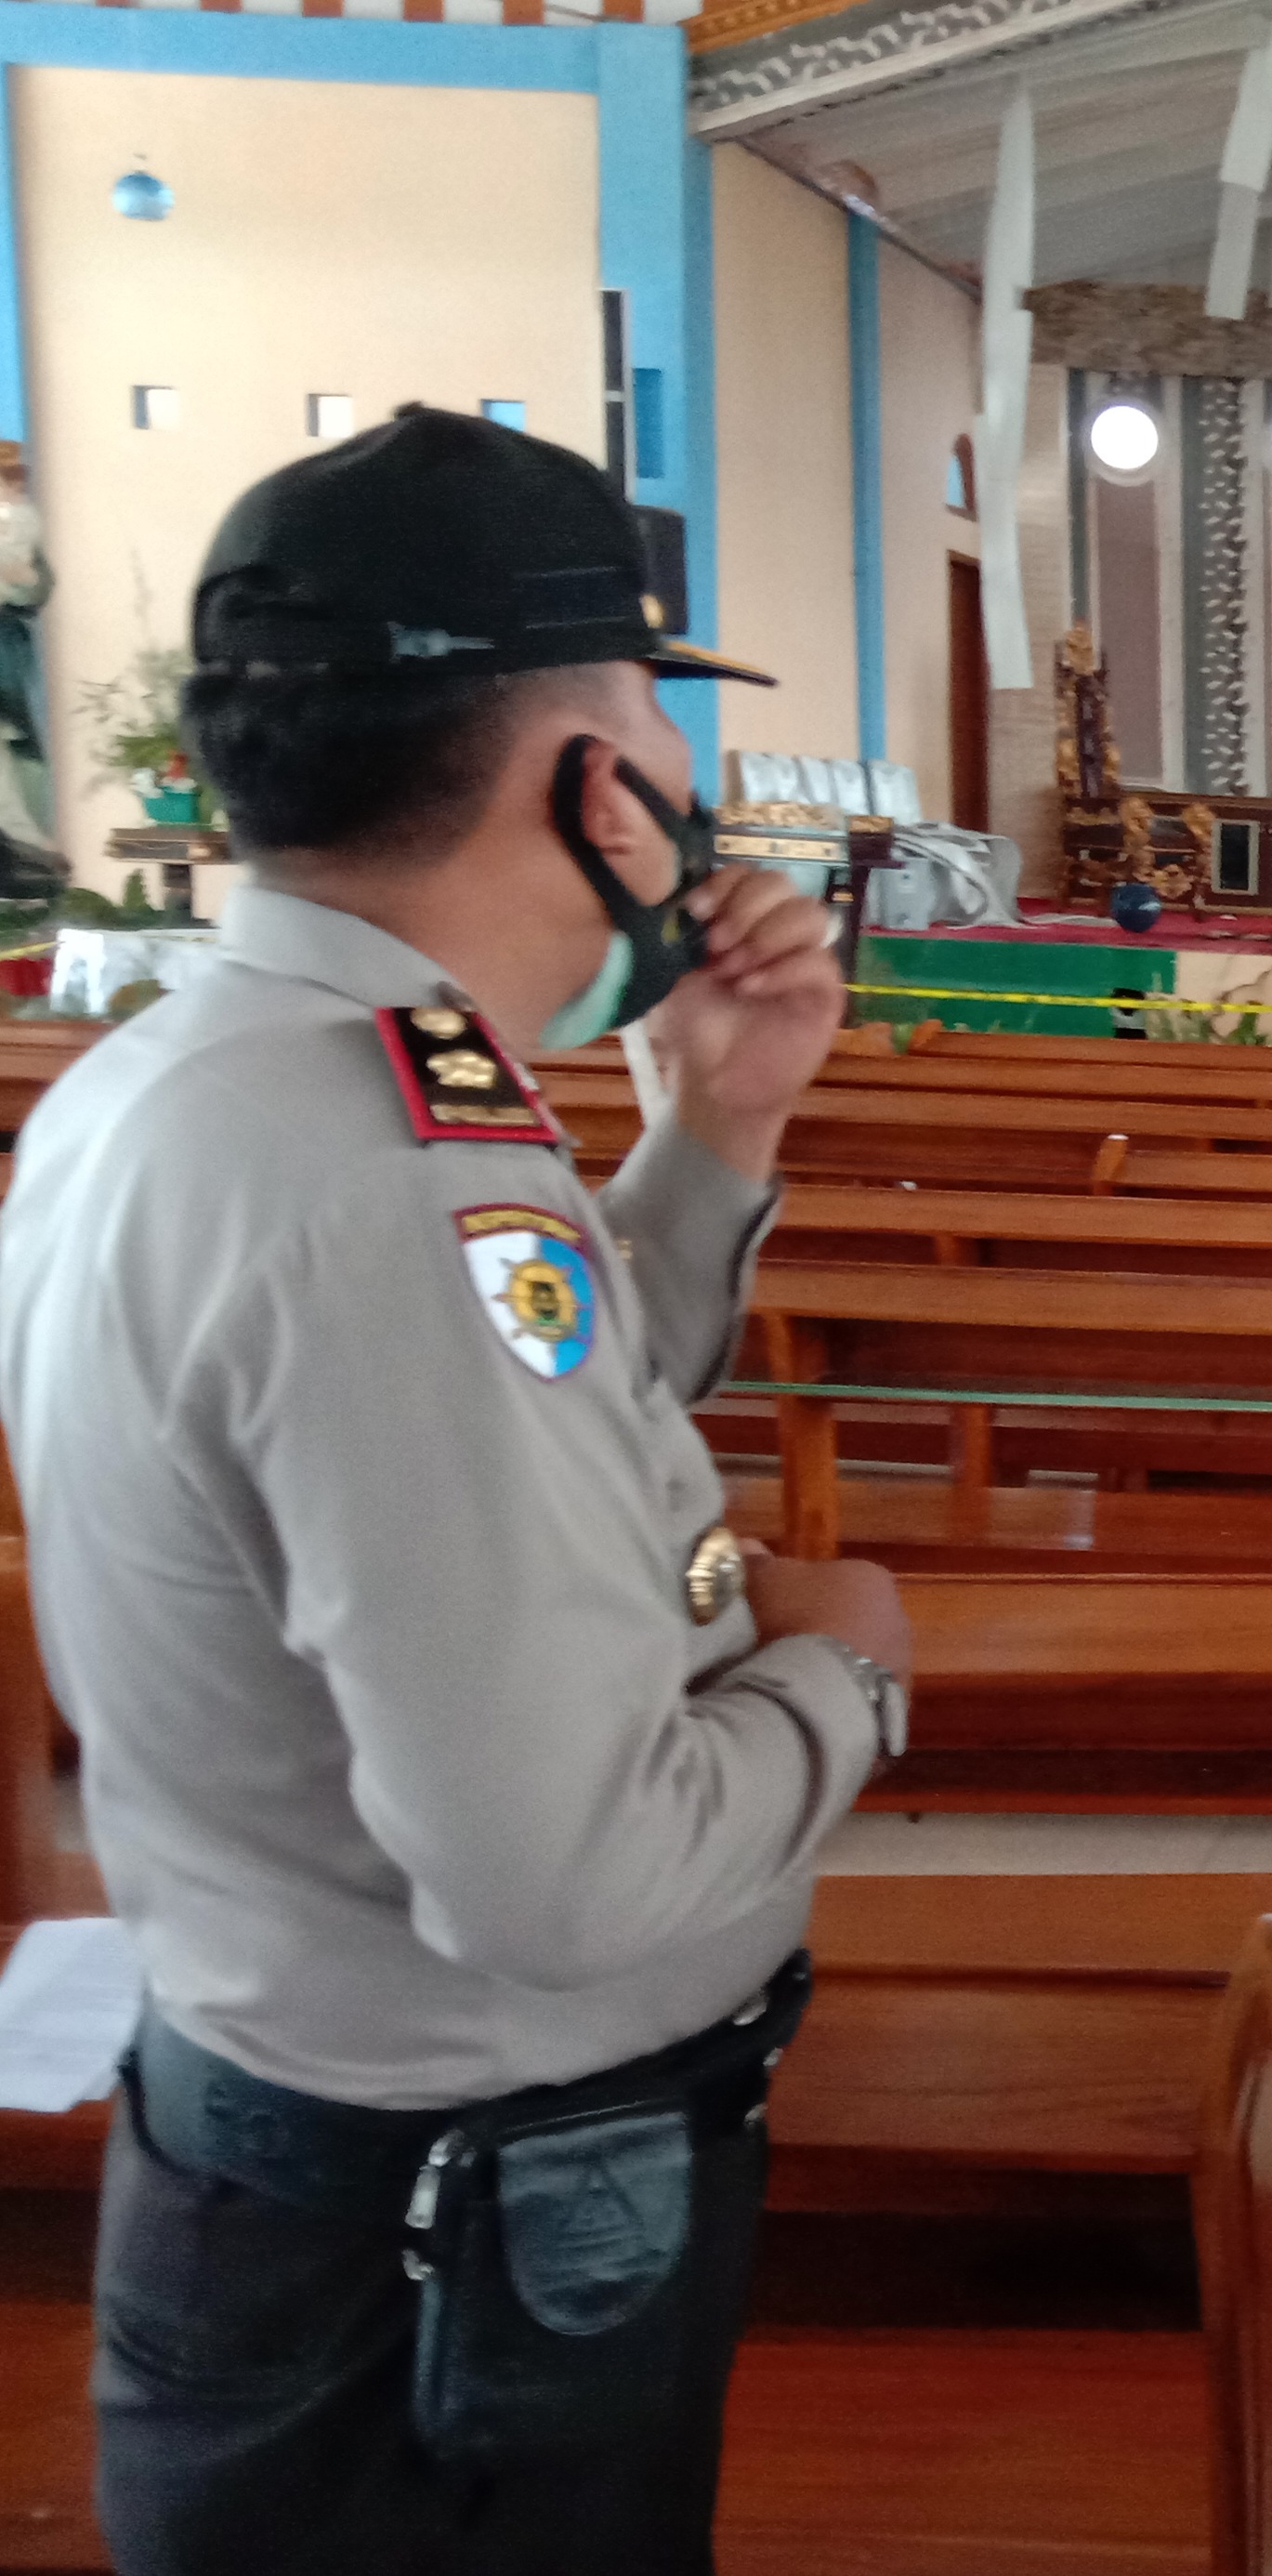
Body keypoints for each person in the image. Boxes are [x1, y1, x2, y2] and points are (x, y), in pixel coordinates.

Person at [0, 408, 911, 2574]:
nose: (687, 815)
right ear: (598, 786)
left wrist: (714, 1132)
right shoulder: (382, 1182)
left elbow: (548, 1425)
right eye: (662, 750)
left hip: (317, 2172)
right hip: (455, 2236)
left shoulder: (215, 1089)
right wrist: (846, 1683)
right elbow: (563, 1882)